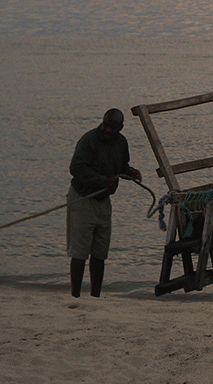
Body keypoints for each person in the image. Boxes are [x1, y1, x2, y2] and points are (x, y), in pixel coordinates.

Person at [67, 108, 141, 297]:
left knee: (100, 252)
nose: (108, 130)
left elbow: (121, 166)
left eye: (113, 127)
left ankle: (95, 296)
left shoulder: (122, 142)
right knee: (80, 251)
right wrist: (101, 180)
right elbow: (75, 167)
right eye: (105, 125)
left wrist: (130, 172)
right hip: (83, 199)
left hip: (103, 201)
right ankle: (75, 295)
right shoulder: (88, 140)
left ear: (121, 128)